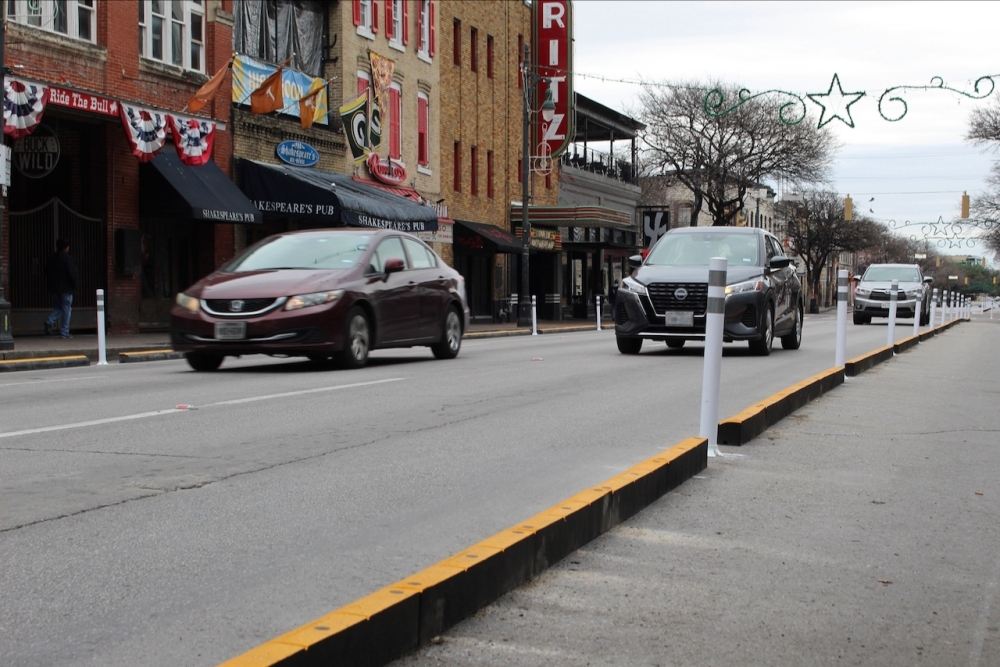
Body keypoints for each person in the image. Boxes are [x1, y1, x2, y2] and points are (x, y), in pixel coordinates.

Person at [44, 238, 78, 339]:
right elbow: (72, 274)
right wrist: (74, 285)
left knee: (59, 306)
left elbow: (46, 272)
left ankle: (50, 321)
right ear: (66, 247)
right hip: (66, 288)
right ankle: (64, 332)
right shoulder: (67, 259)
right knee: (67, 309)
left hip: (55, 288)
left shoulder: (52, 258)